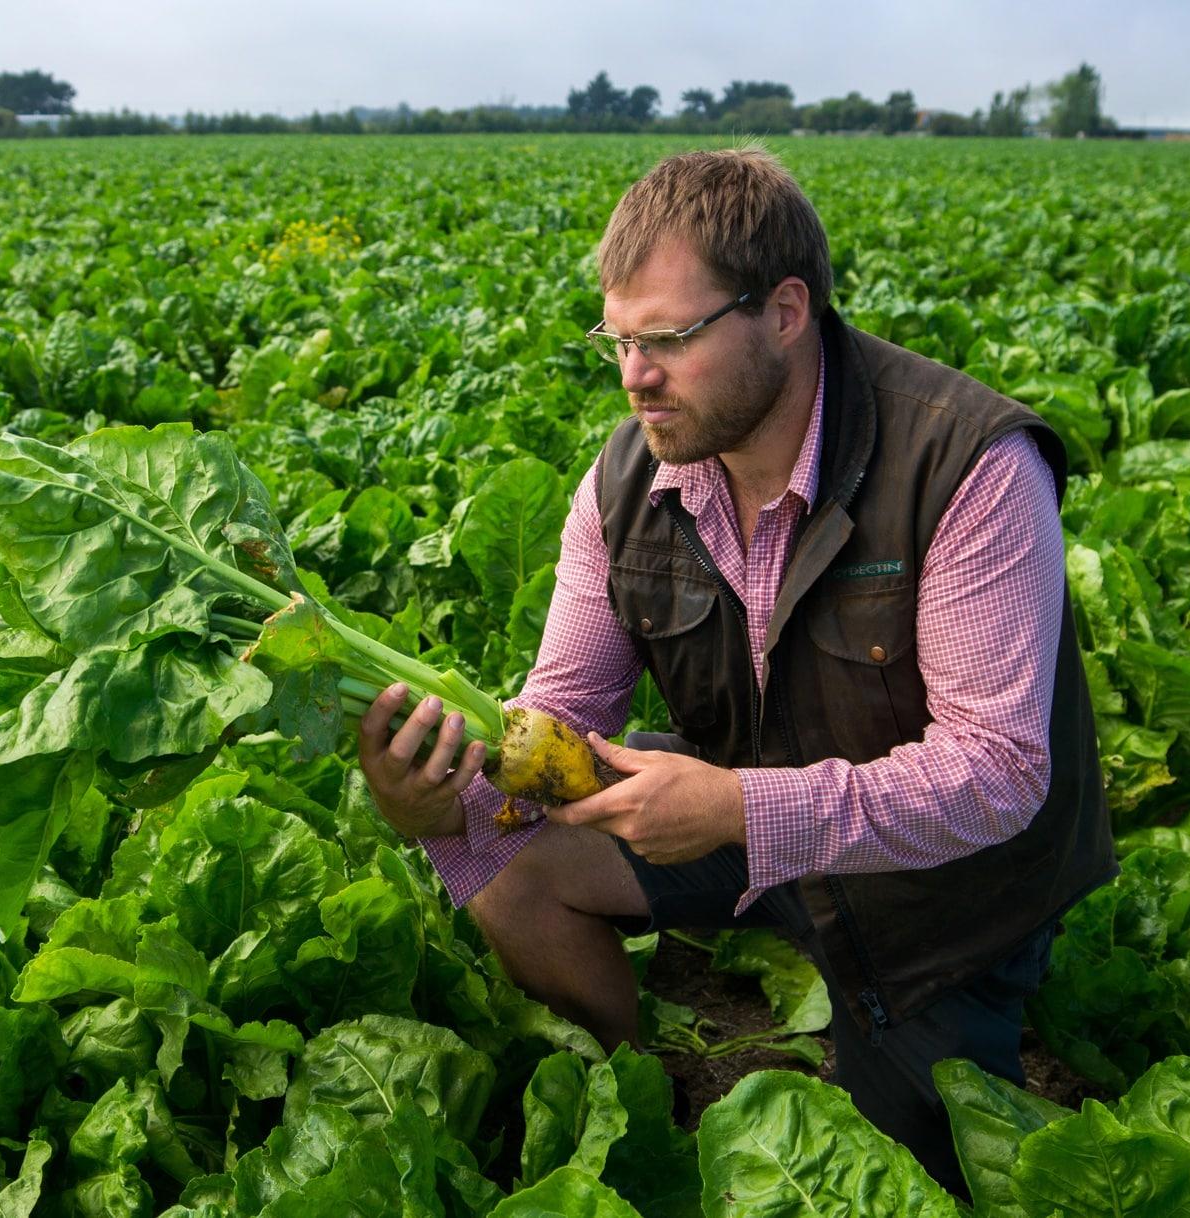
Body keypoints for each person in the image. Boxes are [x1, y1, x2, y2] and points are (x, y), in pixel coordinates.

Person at [356, 146, 1115, 1196]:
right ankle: (632, 1103)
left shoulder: (967, 466)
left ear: (786, 312)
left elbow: (996, 777)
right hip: (733, 801)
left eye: (667, 338)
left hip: (938, 890)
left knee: (883, 1180)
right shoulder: (627, 481)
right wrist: (440, 797)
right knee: (499, 846)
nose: (634, 377)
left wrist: (741, 813)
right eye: (617, 340)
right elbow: (564, 707)